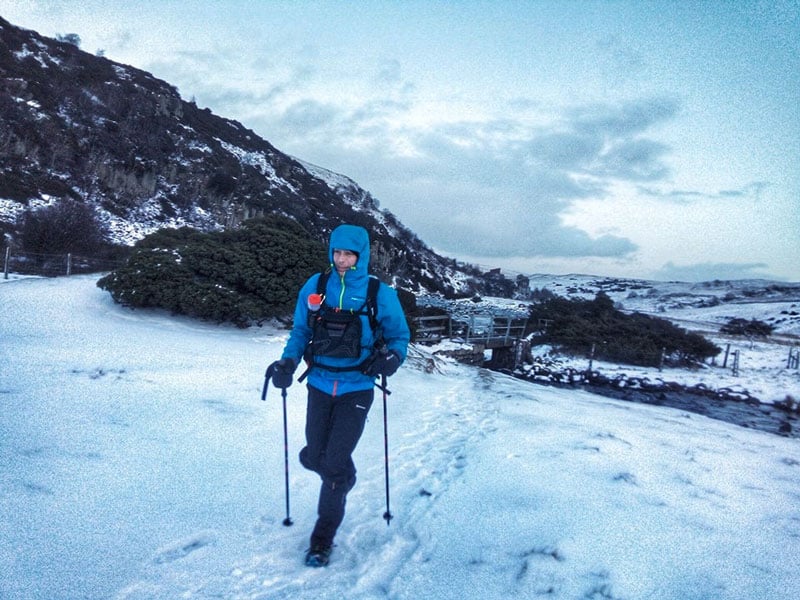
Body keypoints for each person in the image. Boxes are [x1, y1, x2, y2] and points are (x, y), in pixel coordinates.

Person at [268, 223, 410, 567]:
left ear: (361, 256)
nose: (342, 260)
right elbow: (301, 330)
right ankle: (342, 476)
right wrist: (288, 361)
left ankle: (321, 541)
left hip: (356, 388)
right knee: (314, 454)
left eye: (349, 254)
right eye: (337, 252)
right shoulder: (315, 286)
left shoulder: (379, 294)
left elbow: (399, 337)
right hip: (318, 384)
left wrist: (391, 358)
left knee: (332, 464)